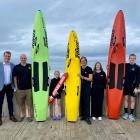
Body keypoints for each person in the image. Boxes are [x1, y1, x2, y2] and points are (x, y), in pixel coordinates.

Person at [13, 54, 33, 122]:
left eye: (24, 58)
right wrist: (16, 87)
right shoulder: (16, 67)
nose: (23, 59)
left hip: (29, 88)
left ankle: (28, 116)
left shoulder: (30, 66)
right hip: (20, 89)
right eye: (22, 58)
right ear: (20, 59)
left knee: (29, 103)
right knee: (21, 104)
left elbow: (33, 76)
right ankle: (22, 115)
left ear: (26, 58)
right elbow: (15, 77)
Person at [0, 51, 18, 125]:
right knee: (0, 102)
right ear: (3, 56)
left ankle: (11, 116)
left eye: (9, 56)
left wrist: (15, 86)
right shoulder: (0, 65)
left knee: (10, 101)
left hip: (10, 86)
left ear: (10, 57)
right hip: (1, 86)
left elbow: (15, 76)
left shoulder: (13, 65)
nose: (7, 57)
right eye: (6, 56)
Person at [122, 54, 140, 122]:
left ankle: (131, 115)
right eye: (131, 58)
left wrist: (136, 87)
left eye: (133, 58)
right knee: (126, 99)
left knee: (133, 100)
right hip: (126, 85)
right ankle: (126, 113)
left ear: (135, 59)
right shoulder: (125, 65)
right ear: (129, 59)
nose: (132, 59)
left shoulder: (137, 67)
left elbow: (138, 78)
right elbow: (118, 68)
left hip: (133, 87)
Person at [79, 56, 92, 125]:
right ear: (80, 62)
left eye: (84, 61)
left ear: (86, 62)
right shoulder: (79, 68)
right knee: (81, 102)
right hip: (80, 88)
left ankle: (87, 117)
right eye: (82, 61)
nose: (83, 62)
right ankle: (83, 116)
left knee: (87, 102)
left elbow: (90, 79)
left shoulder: (89, 69)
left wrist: (82, 77)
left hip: (87, 87)